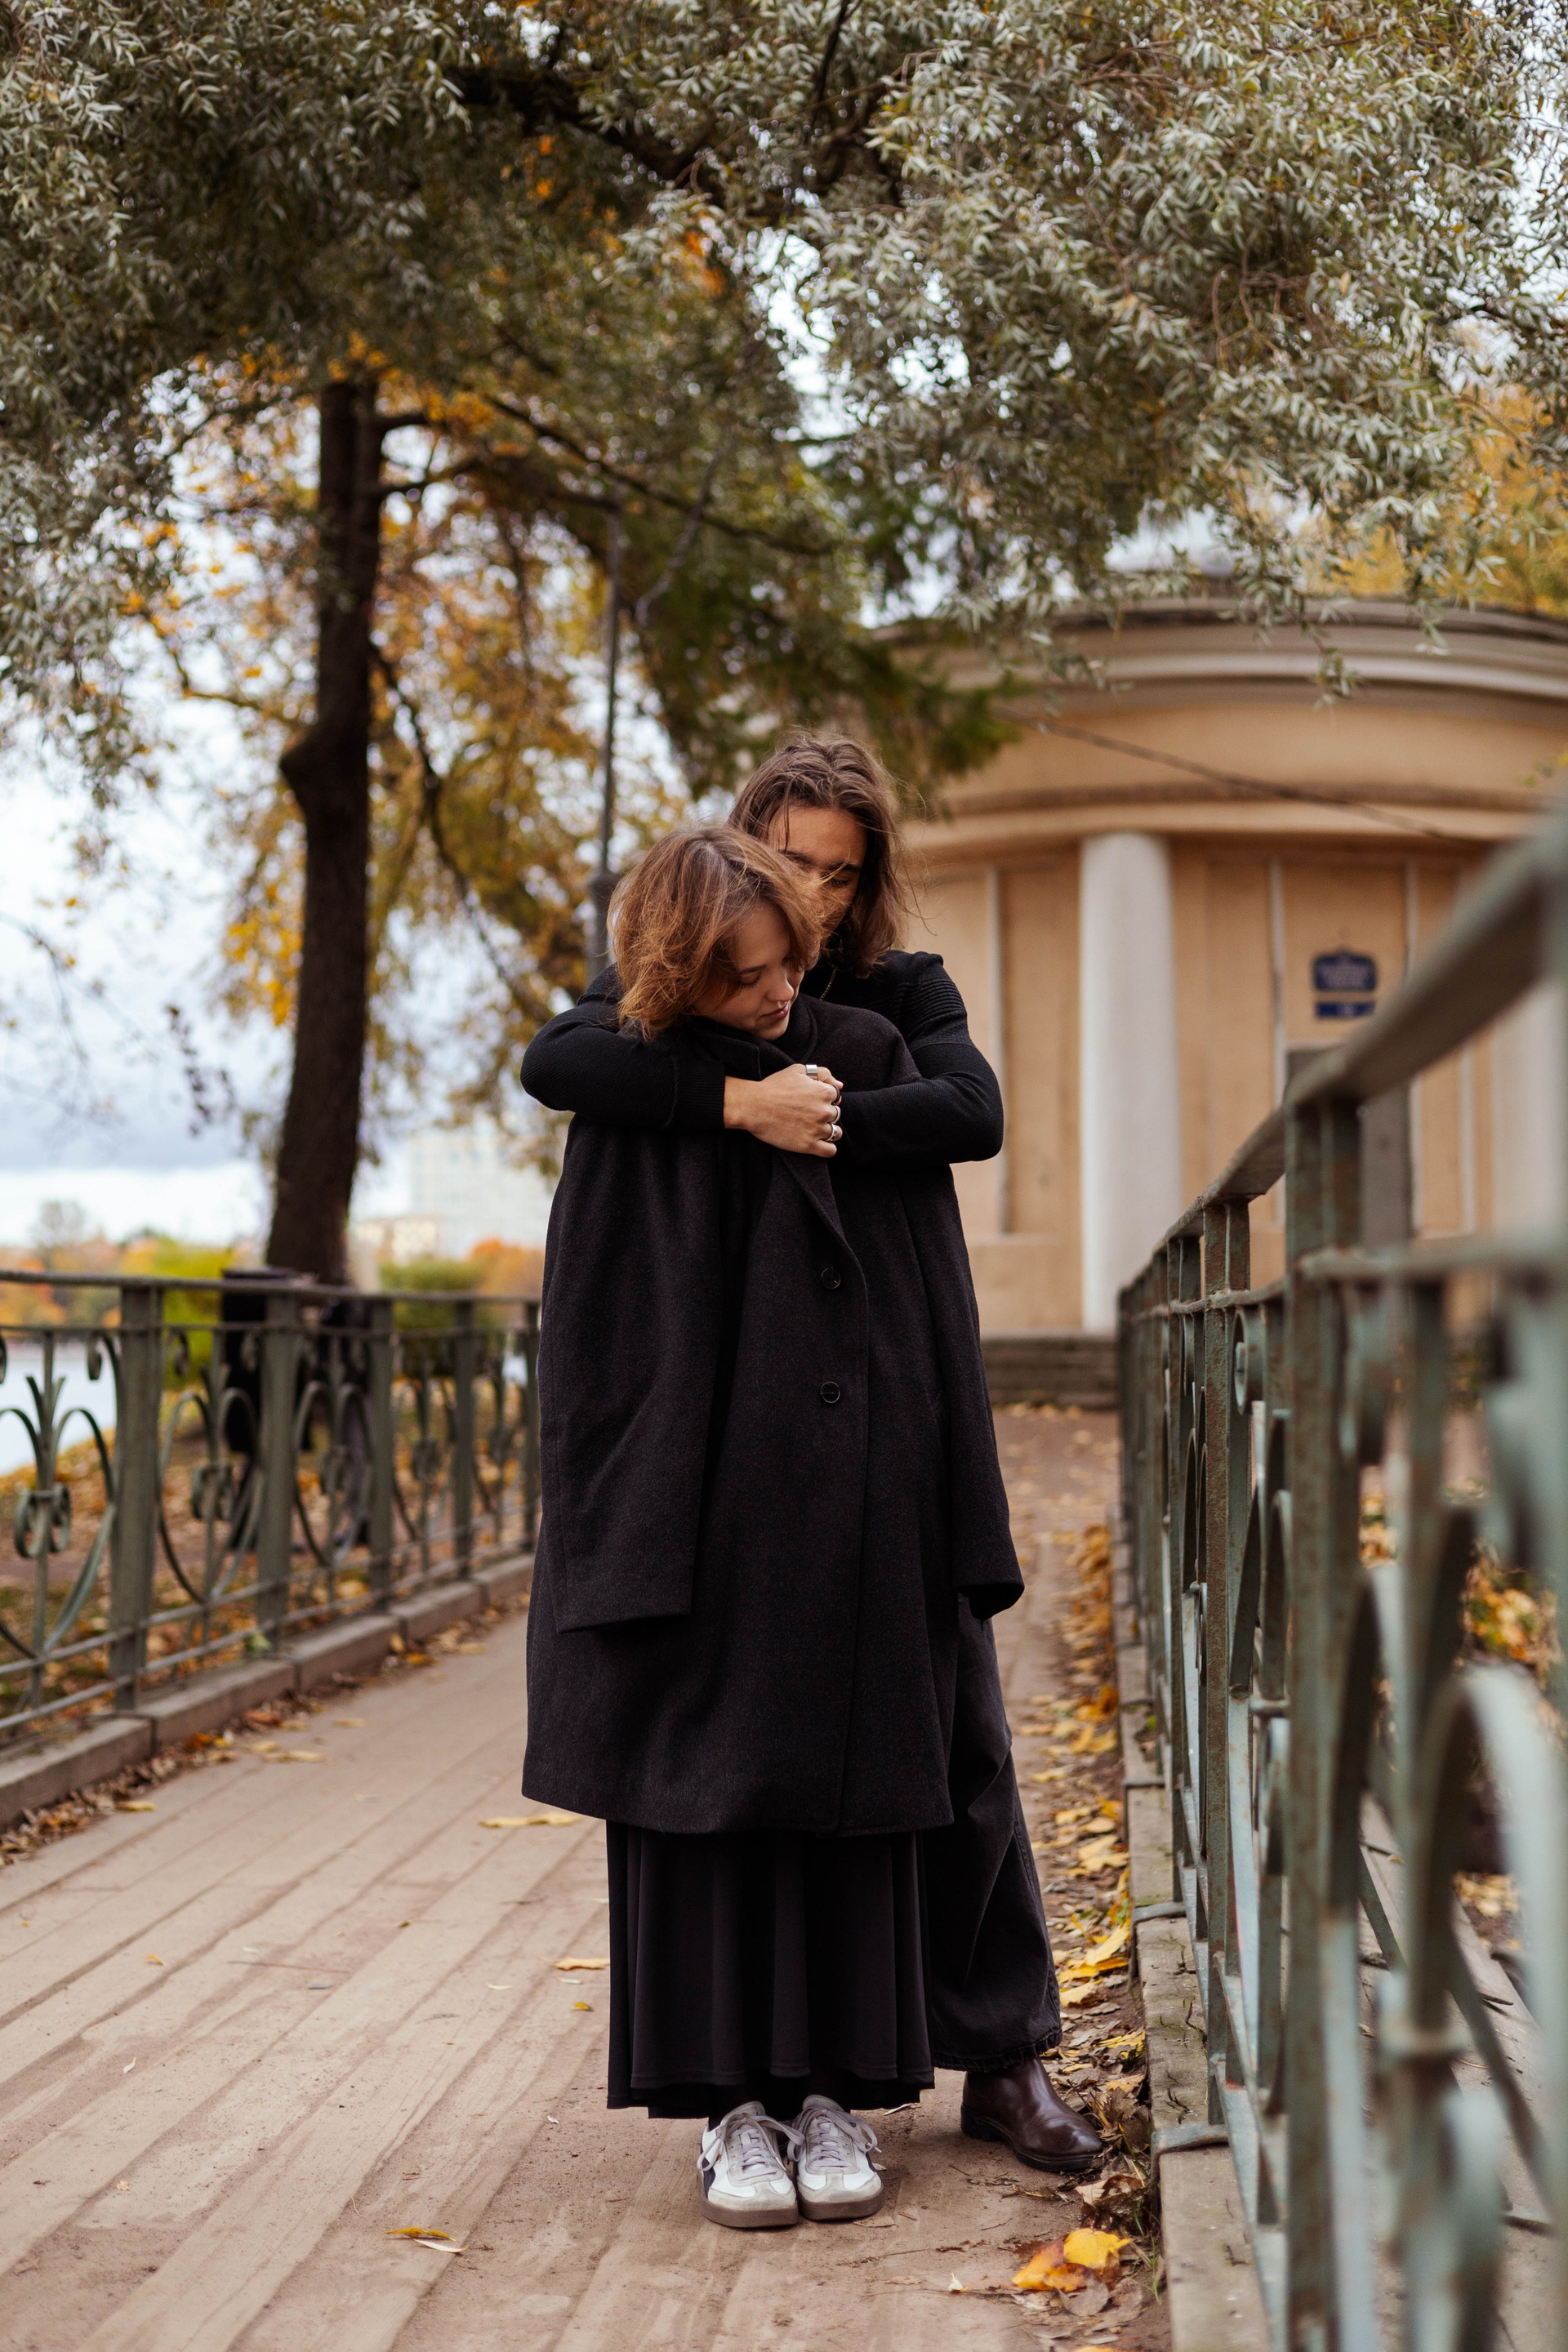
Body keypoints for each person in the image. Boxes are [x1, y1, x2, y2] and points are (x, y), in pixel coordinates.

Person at [522, 741, 1100, 2179]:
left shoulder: (894, 994)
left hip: (882, 1411)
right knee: (744, 1741)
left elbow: (972, 1113)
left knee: (961, 1739)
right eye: (794, 865)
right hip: (744, 1430)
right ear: (744, 854)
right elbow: (562, 1058)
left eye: (843, 874)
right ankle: (766, 2087)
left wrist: (815, 1107)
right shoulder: (677, 980)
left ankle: (1004, 2051)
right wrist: (736, 1099)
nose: (819, 898)